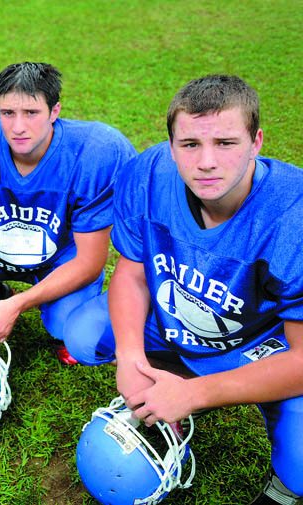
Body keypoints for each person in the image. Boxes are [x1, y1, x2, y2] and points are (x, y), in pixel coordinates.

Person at [70, 75, 303, 504]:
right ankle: (165, 376)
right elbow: (133, 273)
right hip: (174, 319)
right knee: (84, 333)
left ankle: (282, 489)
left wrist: (196, 395)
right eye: (190, 144)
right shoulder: (149, 173)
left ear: (257, 142)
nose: (207, 162)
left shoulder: (294, 214)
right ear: (172, 146)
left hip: (255, 341)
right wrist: (129, 356)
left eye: (227, 143)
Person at [0, 62, 136, 363]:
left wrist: (19, 305)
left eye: (31, 113)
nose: (18, 127)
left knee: (66, 325)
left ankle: (44, 303)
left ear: (54, 111)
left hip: (60, 255)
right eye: (8, 113)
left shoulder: (94, 153)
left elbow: (91, 261)